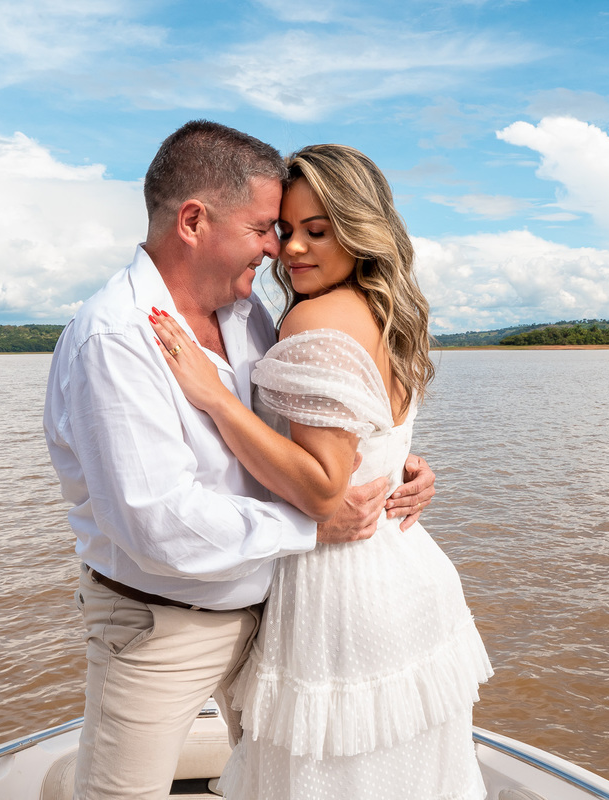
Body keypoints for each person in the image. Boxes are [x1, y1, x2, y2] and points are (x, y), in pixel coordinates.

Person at [42, 121, 437, 800]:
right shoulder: (116, 339)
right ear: (194, 220)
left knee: (285, 785)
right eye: (266, 227)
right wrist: (315, 527)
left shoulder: (250, 314)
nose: (278, 249)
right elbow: (156, 522)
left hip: (282, 615)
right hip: (165, 627)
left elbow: (305, 433)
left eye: (287, 230)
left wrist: (390, 465)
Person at [148, 143, 493, 800]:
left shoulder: (313, 319)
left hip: (340, 595)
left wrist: (214, 395)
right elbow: (375, 443)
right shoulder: (389, 315)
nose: (294, 250)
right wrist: (409, 469)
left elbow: (324, 485)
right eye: (284, 231)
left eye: (317, 230)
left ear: (361, 231)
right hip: (406, 568)